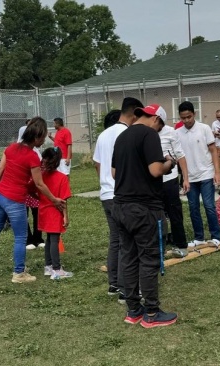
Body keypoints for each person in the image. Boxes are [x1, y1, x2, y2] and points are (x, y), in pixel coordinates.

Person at [0, 117, 65, 284]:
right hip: (14, 200)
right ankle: (19, 273)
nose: (44, 140)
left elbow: (0, 168)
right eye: (43, 137)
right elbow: (39, 184)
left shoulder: (11, 148)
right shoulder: (32, 157)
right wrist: (54, 199)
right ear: (37, 137)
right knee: (21, 237)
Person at [111, 104, 178, 328]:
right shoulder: (149, 134)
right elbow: (155, 170)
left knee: (128, 257)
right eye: (160, 126)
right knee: (148, 259)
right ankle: (151, 312)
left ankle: (133, 309)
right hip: (145, 208)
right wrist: (169, 163)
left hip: (120, 206)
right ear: (156, 119)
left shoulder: (122, 136)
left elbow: (113, 172)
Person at [93, 98, 143, 300]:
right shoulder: (127, 134)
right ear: (133, 114)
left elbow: (97, 163)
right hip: (122, 194)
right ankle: (125, 287)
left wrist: (105, 182)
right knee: (128, 242)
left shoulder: (104, 135)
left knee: (116, 240)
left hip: (106, 194)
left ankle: (113, 283)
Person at [177, 101, 220, 248]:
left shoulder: (204, 128)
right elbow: (179, 157)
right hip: (190, 177)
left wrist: (217, 172)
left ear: (194, 114)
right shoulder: (177, 133)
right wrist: (184, 178)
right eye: (183, 118)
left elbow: (213, 150)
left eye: (189, 117)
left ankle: (216, 236)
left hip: (206, 174)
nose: (186, 120)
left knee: (209, 206)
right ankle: (199, 237)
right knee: (193, 207)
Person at [38, 147, 73, 279]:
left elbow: (33, 189)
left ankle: (48, 266)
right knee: (54, 240)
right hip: (54, 213)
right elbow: (63, 200)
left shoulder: (41, 177)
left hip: (43, 212)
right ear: (58, 161)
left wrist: (40, 199)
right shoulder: (62, 178)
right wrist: (65, 216)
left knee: (48, 239)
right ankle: (57, 269)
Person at [159, 116, 191, 258]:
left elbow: (180, 155)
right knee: (157, 215)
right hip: (153, 181)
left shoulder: (171, 132)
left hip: (170, 179)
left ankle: (181, 244)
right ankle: (160, 246)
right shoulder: (146, 132)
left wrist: (185, 178)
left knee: (174, 213)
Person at [17, 120, 44, 250]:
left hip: (35, 187)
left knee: (37, 212)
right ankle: (28, 240)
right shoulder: (18, 150)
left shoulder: (35, 151)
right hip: (23, 188)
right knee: (24, 214)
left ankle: (38, 238)